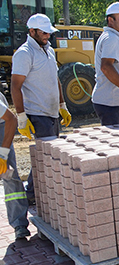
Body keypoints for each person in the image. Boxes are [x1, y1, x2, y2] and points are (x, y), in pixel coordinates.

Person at [11, 13, 71, 208]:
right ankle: (32, 195)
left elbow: (55, 80)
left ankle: (35, 192)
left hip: (52, 112)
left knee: (46, 157)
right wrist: (21, 117)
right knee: (44, 159)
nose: (47, 36)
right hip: (37, 114)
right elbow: (15, 86)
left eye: (48, 32)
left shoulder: (48, 50)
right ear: (32, 31)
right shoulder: (24, 53)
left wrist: (62, 106)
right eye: (44, 33)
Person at [0, 95, 30, 240]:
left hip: (2, 123)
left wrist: (3, 154)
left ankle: (19, 224)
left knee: (8, 174)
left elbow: (11, 119)